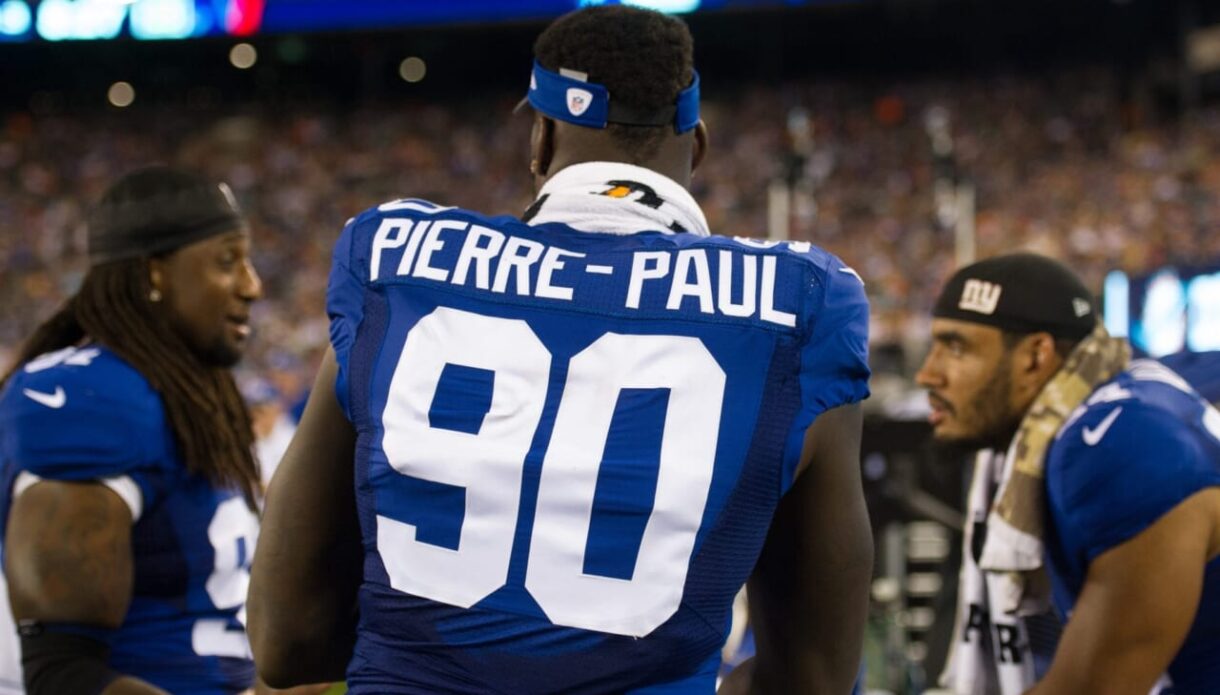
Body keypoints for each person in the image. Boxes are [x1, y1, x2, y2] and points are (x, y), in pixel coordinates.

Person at [249, 6, 874, 694]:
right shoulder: (802, 300)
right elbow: (814, 675)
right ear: (695, 146)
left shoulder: (393, 261)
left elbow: (287, 641)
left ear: (540, 139)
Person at [0, 166, 264, 694]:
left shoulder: (190, 393)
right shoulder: (88, 399)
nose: (252, 285)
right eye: (226, 261)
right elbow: (65, 675)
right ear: (155, 274)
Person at [916, 253, 1220, 695]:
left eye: (956, 347)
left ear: (1036, 356)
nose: (928, 373)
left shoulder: (1116, 443)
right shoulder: (1112, 402)